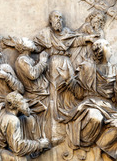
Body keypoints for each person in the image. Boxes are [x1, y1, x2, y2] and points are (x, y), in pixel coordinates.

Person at [57, 39, 117, 161]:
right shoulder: (87, 67)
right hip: (90, 102)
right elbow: (79, 94)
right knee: (95, 118)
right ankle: (84, 144)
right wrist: (68, 79)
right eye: (108, 46)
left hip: (108, 106)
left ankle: (99, 146)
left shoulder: (115, 69)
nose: (111, 49)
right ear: (102, 50)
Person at [32, 10, 99, 141]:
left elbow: (74, 40)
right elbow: (35, 47)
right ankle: (55, 131)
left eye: (60, 18)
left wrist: (87, 38)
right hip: (53, 65)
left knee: (69, 94)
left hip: (66, 63)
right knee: (55, 95)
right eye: (56, 17)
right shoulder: (45, 34)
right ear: (50, 20)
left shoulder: (67, 32)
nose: (59, 20)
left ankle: (68, 128)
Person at [4, 36, 50, 142]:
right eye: (28, 41)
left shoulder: (28, 59)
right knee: (38, 121)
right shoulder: (22, 60)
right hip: (35, 94)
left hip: (42, 92)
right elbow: (32, 74)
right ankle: (39, 142)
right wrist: (43, 61)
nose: (31, 41)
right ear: (24, 46)